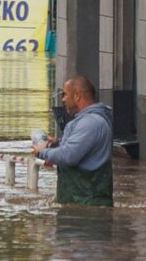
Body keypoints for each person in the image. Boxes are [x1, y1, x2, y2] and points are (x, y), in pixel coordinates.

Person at [31, 75, 113, 206]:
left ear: (77, 96)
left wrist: (42, 152)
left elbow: (69, 156)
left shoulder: (90, 123)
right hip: (80, 203)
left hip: (86, 207)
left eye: (65, 94)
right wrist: (57, 143)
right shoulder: (87, 121)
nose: (62, 99)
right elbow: (78, 149)